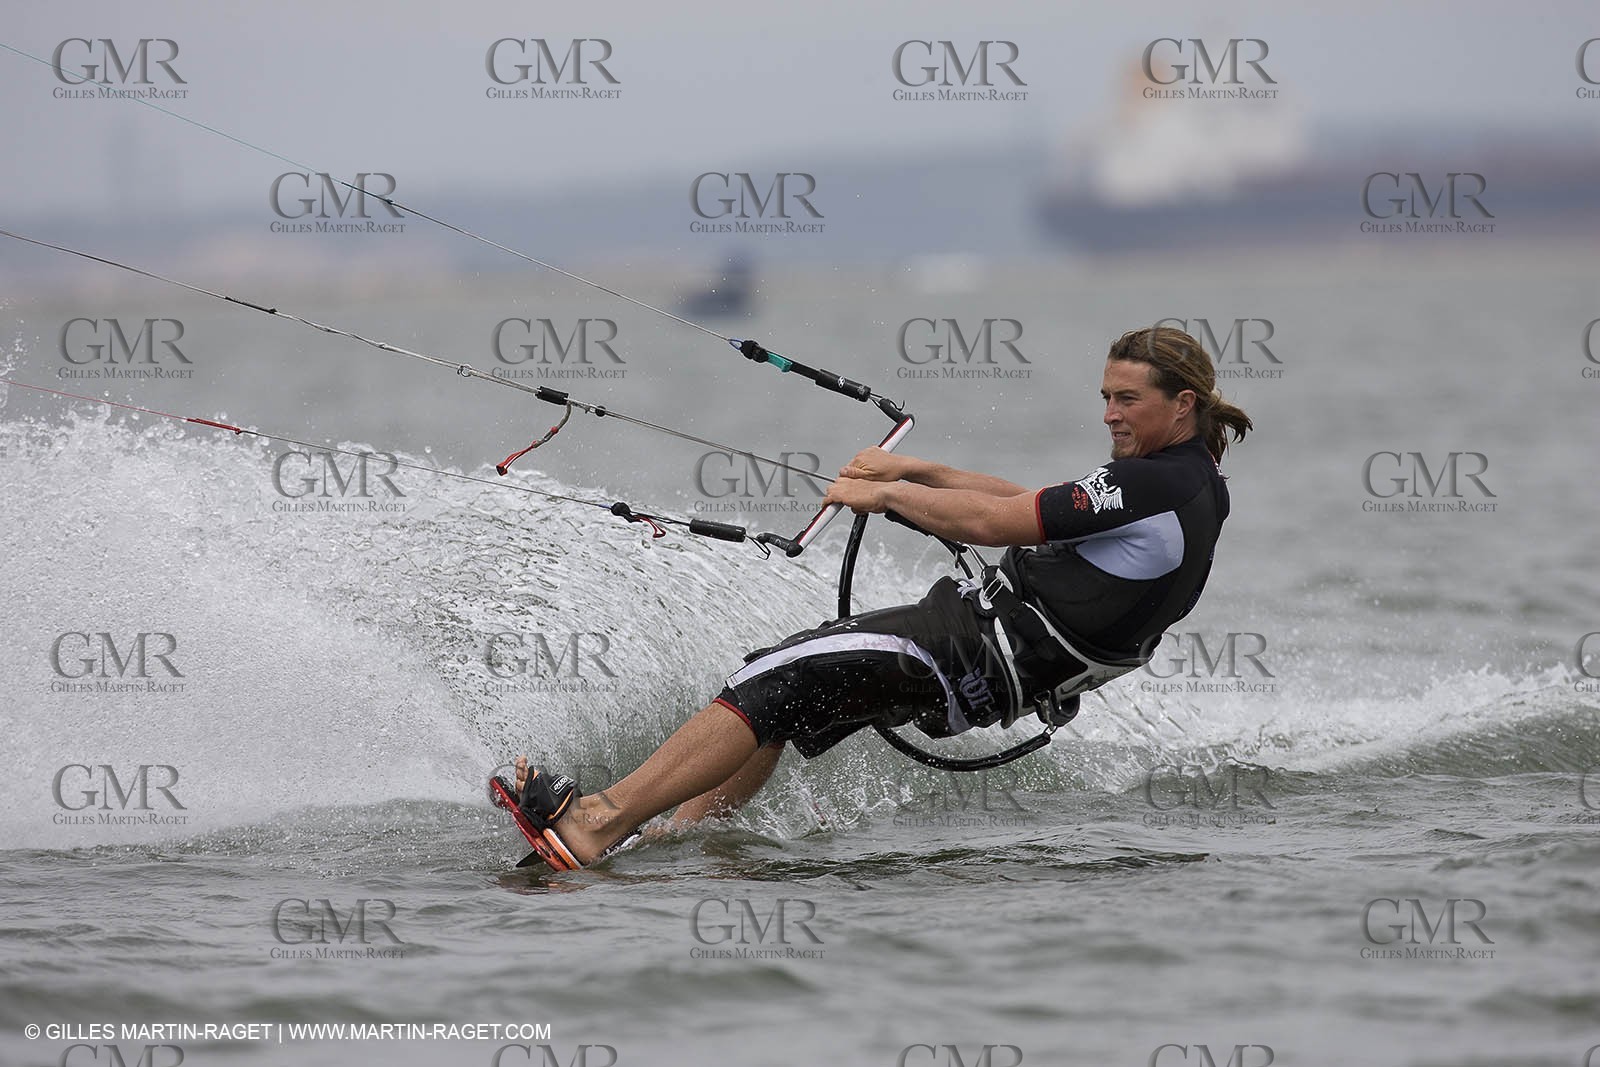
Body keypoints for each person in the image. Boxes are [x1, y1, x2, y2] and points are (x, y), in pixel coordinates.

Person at [505, 325, 1253, 870]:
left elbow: (998, 522)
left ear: (1182, 403)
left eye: (1127, 399)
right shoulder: (1189, 483)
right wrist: (922, 473)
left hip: (975, 646)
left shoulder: (1155, 483)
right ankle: (671, 840)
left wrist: (884, 494)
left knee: (770, 680)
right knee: (786, 701)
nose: (1110, 414)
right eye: (1104, 397)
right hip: (995, 671)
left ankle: (598, 822)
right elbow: (1031, 502)